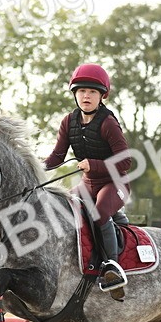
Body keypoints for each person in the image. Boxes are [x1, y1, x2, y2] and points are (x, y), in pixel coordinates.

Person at [44, 63, 131, 292]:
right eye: (81, 91)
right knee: (61, 209)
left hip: (115, 183)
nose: (86, 96)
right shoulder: (68, 122)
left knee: (99, 212)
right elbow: (57, 156)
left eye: (92, 92)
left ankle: (111, 267)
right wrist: (35, 168)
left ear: (102, 96)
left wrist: (92, 164)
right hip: (87, 185)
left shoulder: (108, 123)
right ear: (75, 94)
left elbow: (125, 162)